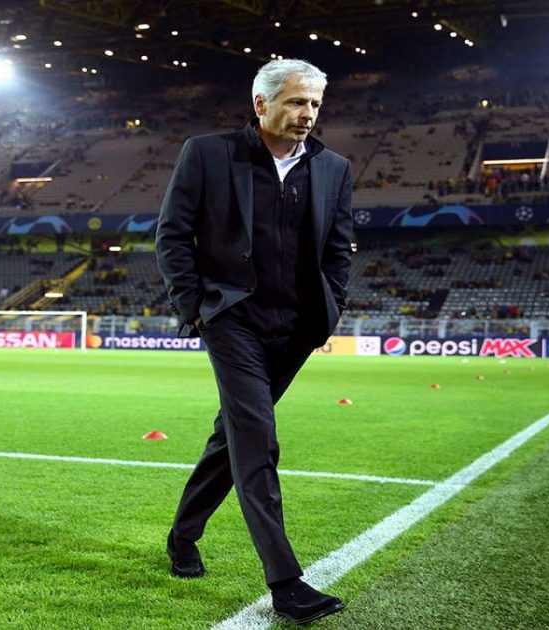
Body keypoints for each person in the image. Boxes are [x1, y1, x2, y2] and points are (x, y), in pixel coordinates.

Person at [155, 58, 353, 625]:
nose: (307, 113)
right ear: (261, 104)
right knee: (258, 440)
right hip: (231, 319)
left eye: (314, 104)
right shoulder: (207, 153)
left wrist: (330, 310)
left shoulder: (334, 168)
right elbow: (173, 235)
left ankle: (182, 535)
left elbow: (339, 248)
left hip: (297, 328)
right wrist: (196, 309)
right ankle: (286, 583)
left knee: (233, 439)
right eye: (296, 102)